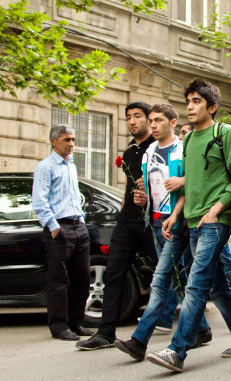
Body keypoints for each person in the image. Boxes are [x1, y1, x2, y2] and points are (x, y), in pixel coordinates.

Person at [146, 78, 231, 373]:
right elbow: (191, 183)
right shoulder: (188, 140)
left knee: (196, 283)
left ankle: (177, 350)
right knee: (215, 287)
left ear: (212, 107)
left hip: (215, 221)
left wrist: (216, 209)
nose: (190, 106)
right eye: (188, 101)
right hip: (191, 221)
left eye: (197, 101)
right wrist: (176, 215)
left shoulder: (224, 133)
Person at [113, 103, 210, 360]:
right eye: (151, 121)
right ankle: (202, 330)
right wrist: (143, 200)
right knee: (178, 281)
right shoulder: (149, 152)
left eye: (158, 121)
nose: (153, 126)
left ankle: (139, 341)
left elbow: (194, 186)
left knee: (159, 282)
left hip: (176, 225)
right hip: (155, 222)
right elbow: (152, 191)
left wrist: (176, 212)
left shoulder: (182, 150)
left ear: (173, 122)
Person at [76, 101, 157, 350]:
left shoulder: (158, 149)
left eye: (137, 116)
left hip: (153, 222)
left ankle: (200, 328)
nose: (132, 121)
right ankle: (106, 332)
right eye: (128, 117)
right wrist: (123, 211)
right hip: (127, 221)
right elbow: (128, 187)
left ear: (148, 119)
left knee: (169, 274)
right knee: (113, 273)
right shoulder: (130, 151)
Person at [32, 124, 93, 341]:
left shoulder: (71, 166)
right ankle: (59, 325)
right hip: (59, 227)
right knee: (59, 280)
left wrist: (82, 221)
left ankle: (76, 322)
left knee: (82, 277)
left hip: (78, 226)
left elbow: (74, 197)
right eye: (67, 140)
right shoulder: (46, 167)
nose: (71, 144)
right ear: (53, 141)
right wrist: (54, 227)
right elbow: (40, 201)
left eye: (73, 140)